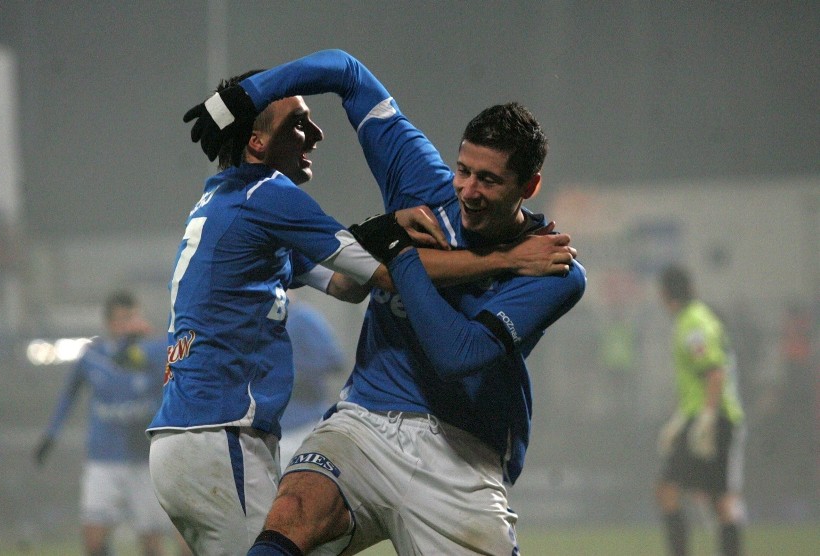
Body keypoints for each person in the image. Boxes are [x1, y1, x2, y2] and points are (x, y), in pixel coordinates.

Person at [153, 64, 579, 555]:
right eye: (463, 171)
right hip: (350, 424)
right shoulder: (283, 194)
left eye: (489, 180)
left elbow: (437, 341)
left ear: (529, 186)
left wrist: (389, 236)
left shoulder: (556, 267)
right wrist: (495, 258)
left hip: (460, 457)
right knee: (289, 517)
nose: (467, 190)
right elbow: (346, 72)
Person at [34, 290, 190, 556]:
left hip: (144, 461)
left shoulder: (157, 352)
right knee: (93, 543)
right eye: (122, 319)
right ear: (108, 323)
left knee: (152, 545)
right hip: (103, 460)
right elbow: (67, 397)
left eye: (133, 316)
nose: (128, 323)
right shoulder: (92, 357)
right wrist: (51, 435)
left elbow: (180, 380)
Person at [655, 264, 746, 556]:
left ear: (666, 294)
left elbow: (714, 373)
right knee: (699, 495)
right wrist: (679, 420)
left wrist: (706, 419)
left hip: (713, 419)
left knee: (710, 498)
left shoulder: (693, 323)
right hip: (701, 417)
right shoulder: (695, 318)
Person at [279, 289, 347, 472]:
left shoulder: (302, 318)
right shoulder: (264, 323)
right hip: (276, 430)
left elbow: (335, 361)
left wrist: (293, 376)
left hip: (304, 424)